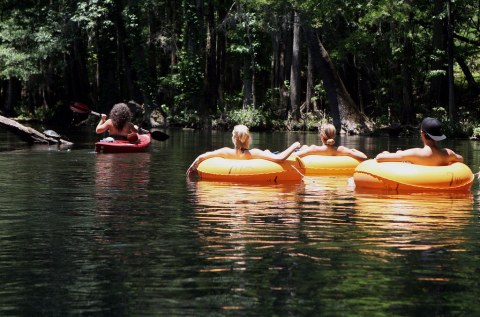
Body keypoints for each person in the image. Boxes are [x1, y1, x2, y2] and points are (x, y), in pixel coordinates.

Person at [186, 124, 301, 176]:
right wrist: (294, 145)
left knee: (266, 152)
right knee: (267, 152)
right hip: (262, 160)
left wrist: (192, 167)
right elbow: (280, 158)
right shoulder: (254, 153)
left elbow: (202, 156)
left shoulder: (226, 152)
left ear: (233, 138)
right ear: (248, 138)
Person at [375, 117, 463, 166]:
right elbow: (460, 159)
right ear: (438, 136)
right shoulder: (448, 153)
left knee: (386, 152)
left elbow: (379, 158)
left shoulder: (416, 153)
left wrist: (387, 153)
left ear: (422, 134)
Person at [295, 123, 367, 161]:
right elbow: (364, 157)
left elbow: (294, 155)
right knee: (305, 147)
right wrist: (353, 150)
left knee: (304, 146)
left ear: (321, 135)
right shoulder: (341, 149)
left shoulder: (313, 149)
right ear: (334, 136)